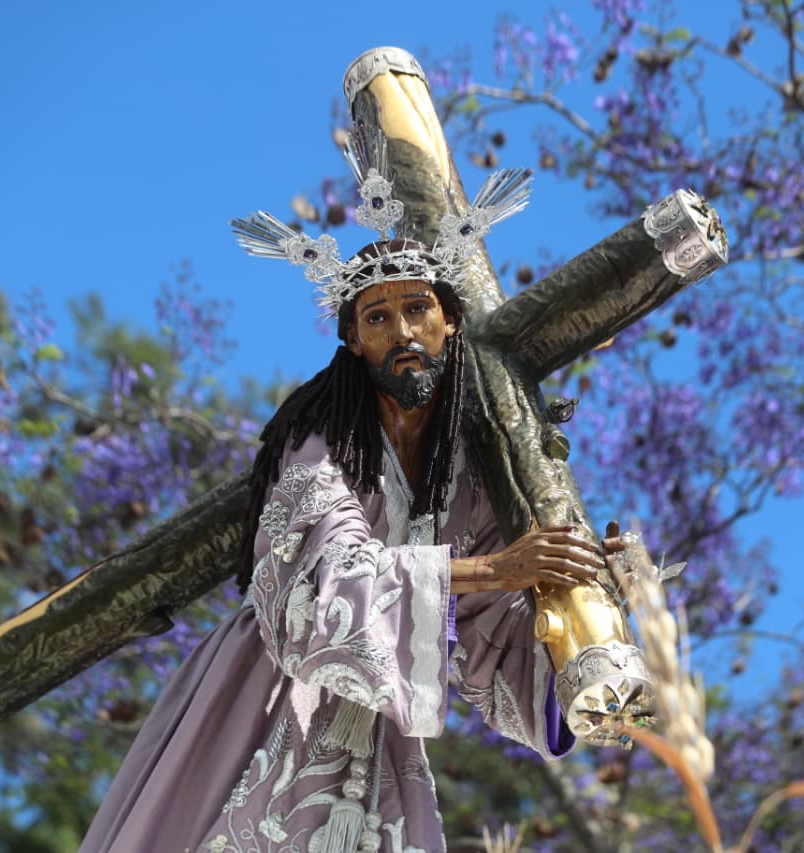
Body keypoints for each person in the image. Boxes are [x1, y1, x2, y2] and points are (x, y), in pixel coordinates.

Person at [80, 179, 610, 848]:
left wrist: (581, 624)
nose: (401, 332)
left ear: (450, 320)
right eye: (377, 318)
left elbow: (487, 635)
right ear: (353, 339)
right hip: (265, 694)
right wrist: (492, 568)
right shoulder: (322, 437)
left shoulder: (471, 479)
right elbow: (323, 579)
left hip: (375, 733)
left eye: (417, 309)